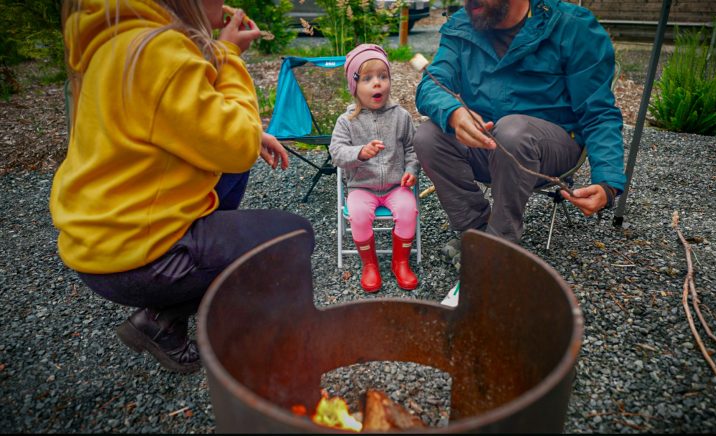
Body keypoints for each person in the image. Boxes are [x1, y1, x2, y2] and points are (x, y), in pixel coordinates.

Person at [50, 0, 314, 374]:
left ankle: (162, 319)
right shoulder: (157, 49)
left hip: (102, 239)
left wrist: (251, 135)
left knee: (232, 172)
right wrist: (227, 55)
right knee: (293, 237)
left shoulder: (117, 40)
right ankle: (271, 354)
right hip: (136, 259)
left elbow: (188, 126)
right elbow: (236, 145)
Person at [413, 0, 627, 305]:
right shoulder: (463, 24)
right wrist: (453, 112)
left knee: (513, 131)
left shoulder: (571, 26)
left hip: (551, 147)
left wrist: (608, 181)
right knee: (428, 135)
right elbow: (431, 84)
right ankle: (477, 233)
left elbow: (599, 112)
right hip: (487, 144)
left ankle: (498, 254)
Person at [330, 44, 421, 293]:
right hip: (362, 187)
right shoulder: (347, 121)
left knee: (408, 210)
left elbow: (413, 149)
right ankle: (369, 264)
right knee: (358, 215)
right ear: (354, 87)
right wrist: (359, 152)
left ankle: (400, 262)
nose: (377, 83)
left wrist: (411, 170)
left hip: (395, 185)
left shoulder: (400, 116)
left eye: (383, 76)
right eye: (368, 78)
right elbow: (336, 153)